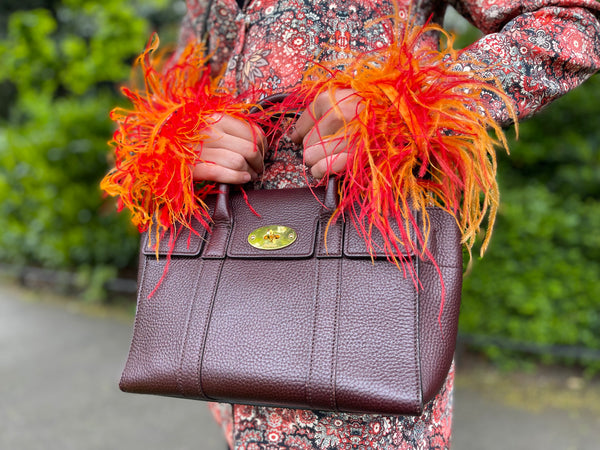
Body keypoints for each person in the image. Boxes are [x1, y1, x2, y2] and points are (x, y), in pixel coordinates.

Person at [171, 0, 600, 448]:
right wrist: (184, 135)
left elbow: (570, 27)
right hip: (229, 312)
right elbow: (183, 79)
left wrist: (400, 109)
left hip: (369, 285)